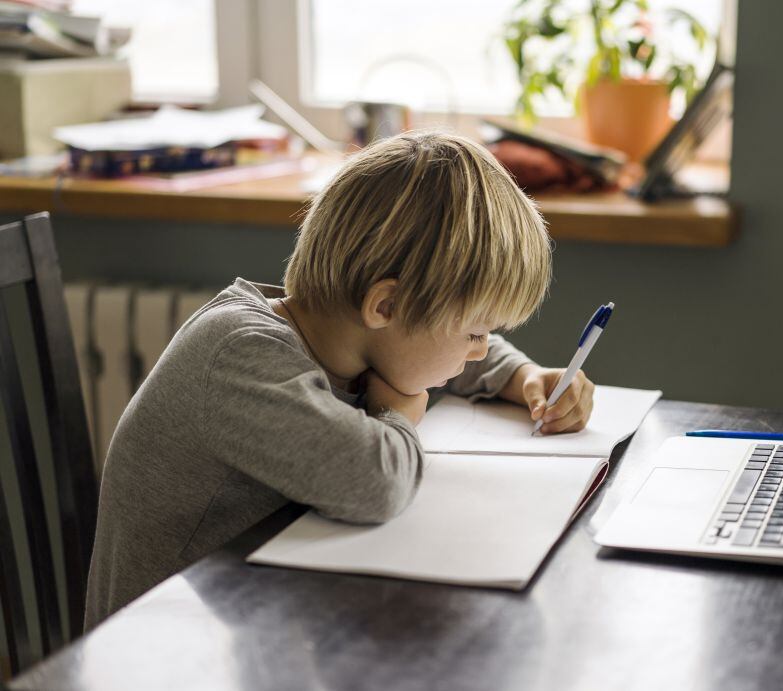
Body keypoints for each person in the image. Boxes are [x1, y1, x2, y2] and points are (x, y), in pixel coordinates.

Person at [84, 132, 595, 629]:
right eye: (477, 332)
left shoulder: (344, 331)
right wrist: (399, 416)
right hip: (159, 644)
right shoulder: (239, 354)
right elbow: (372, 483)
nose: (480, 349)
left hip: (253, 614)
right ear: (386, 306)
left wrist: (524, 375)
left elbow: (435, 343)